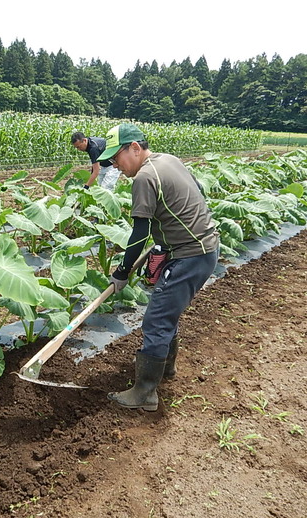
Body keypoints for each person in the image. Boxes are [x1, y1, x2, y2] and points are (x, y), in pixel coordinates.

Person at [101, 123, 220, 412]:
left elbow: (139, 232)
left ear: (135, 148)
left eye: (117, 157)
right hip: (204, 249)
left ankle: (144, 393)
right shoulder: (169, 160)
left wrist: (122, 272)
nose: (115, 165)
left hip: (190, 255)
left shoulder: (144, 177)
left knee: (155, 320)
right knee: (167, 312)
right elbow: (197, 191)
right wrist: (165, 244)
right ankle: (165, 369)